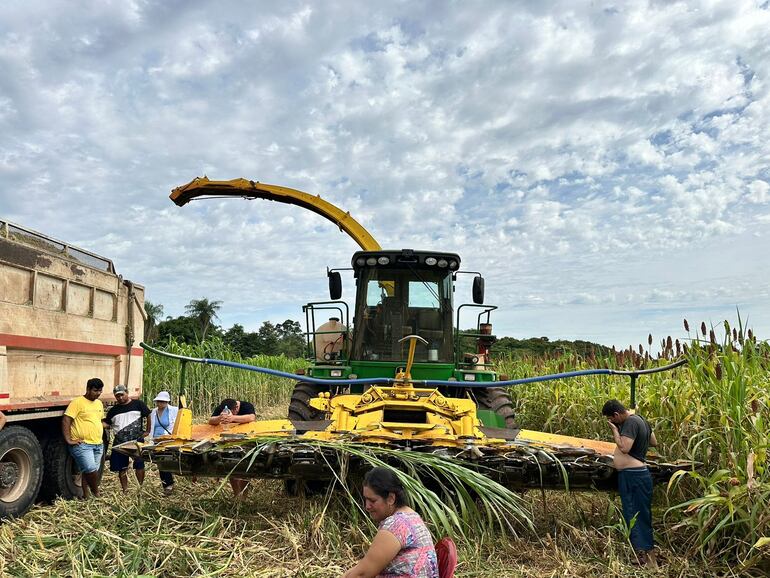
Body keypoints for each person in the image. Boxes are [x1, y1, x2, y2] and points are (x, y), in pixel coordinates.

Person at [341, 466, 438, 578]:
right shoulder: (411, 516)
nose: (367, 506)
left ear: (391, 498)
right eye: (365, 499)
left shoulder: (396, 526)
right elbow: (363, 567)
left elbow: (362, 574)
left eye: (372, 500)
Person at [602, 399, 658, 566]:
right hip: (637, 474)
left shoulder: (631, 422)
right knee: (637, 514)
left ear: (616, 414)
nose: (611, 422)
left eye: (611, 419)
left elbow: (624, 448)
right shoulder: (640, 420)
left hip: (633, 476)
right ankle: (644, 556)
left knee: (637, 515)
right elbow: (653, 441)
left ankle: (650, 560)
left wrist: (615, 430)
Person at [62, 377, 105, 498]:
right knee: (91, 469)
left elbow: (98, 420)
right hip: (83, 444)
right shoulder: (77, 402)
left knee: (88, 471)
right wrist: (68, 439)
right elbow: (66, 419)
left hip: (98, 443)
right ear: (88, 389)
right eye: (95, 390)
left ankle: (86, 495)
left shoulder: (99, 403)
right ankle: (96, 493)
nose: (98, 393)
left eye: (100, 391)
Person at [103, 385, 151, 493]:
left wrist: (147, 431)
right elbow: (107, 423)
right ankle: (125, 490)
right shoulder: (113, 411)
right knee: (122, 467)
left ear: (127, 393)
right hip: (120, 442)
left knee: (139, 464)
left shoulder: (138, 404)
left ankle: (140, 487)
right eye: (117, 396)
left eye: (121, 395)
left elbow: (148, 414)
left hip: (136, 441)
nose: (119, 398)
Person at [209, 398, 257, 496]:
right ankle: (237, 495)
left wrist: (233, 419)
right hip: (229, 441)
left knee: (244, 468)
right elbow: (210, 420)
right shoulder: (222, 408)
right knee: (231, 468)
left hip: (245, 440)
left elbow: (252, 417)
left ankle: (244, 494)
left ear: (236, 409)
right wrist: (219, 418)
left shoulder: (246, 406)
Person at [148, 391, 179, 495]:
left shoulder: (174, 410)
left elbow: (176, 424)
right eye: (159, 401)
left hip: (167, 440)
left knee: (165, 460)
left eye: (162, 402)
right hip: (156, 440)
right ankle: (167, 485)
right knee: (160, 462)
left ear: (167, 402)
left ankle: (168, 485)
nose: (160, 404)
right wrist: (149, 440)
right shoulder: (153, 412)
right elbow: (151, 427)